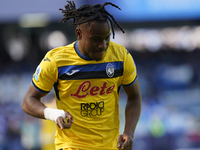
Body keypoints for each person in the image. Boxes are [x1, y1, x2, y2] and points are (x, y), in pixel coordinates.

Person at [22, 1, 142, 150]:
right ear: (79, 33)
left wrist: (129, 133)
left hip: (110, 146)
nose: (103, 45)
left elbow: (135, 97)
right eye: (96, 39)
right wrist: (53, 114)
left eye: (107, 38)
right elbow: (28, 100)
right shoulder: (56, 61)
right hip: (71, 146)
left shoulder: (121, 57)